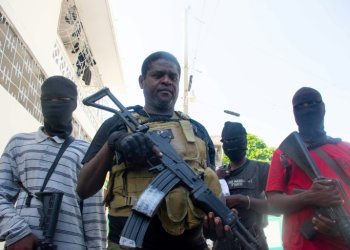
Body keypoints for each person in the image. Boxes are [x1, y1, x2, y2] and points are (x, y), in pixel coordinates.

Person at [76, 51, 222, 250]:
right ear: (141, 81)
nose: (166, 81)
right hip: (130, 242)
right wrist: (113, 143)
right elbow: (83, 188)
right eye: (158, 75)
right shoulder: (117, 124)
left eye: (173, 77)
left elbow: (210, 190)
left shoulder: (198, 131)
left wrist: (215, 224)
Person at [0, 76, 107, 249]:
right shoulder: (18, 143)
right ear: (42, 102)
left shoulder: (87, 150)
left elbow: (93, 214)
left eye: (62, 100)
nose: (55, 104)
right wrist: (18, 232)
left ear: (73, 104)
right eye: (49, 100)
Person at [265, 87, 350, 250]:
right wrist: (310, 197)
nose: (306, 108)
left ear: (323, 107)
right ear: (294, 114)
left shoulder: (346, 149)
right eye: (299, 106)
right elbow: (273, 203)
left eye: (312, 103)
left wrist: (338, 228)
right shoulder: (284, 153)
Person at [213, 122, 270, 250]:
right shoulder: (217, 175)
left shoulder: (261, 169)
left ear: (244, 141)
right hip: (223, 243)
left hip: (253, 242)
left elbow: (275, 208)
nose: (232, 143)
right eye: (228, 140)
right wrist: (215, 179)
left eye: (236, 140)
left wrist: (242, 200)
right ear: (224, 144)